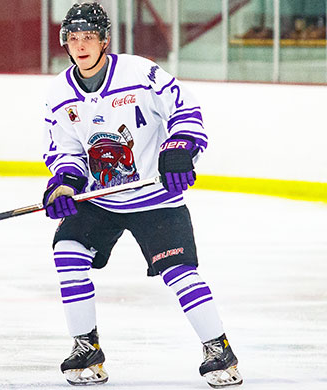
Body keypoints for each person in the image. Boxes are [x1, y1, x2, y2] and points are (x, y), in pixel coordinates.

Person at [41, 2, 243, 388]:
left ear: (104, 40)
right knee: (67, 252)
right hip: (100, 200)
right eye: (73, 38)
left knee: (179, 272)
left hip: (154, 198)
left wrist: (180, 146)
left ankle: (219, 349)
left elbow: (184, 109)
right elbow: (64, 150)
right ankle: (86, 346)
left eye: (89, 37)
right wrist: (66, 183)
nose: (80, 45)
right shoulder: (58, 94)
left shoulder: (140, 72)